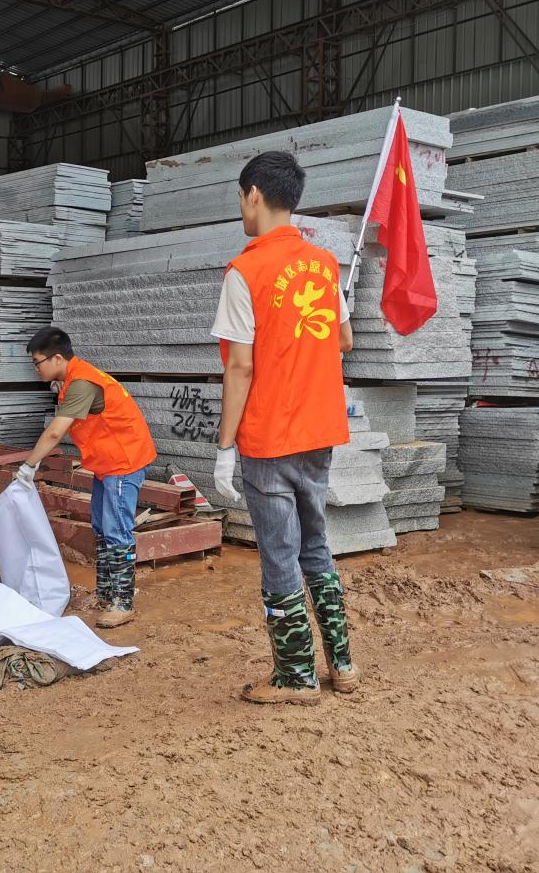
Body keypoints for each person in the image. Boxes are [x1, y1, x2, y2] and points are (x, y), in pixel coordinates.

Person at [210, 150, 357, 706]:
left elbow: (240, 366)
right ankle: (340, 662)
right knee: (316, 544)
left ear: (252, 195)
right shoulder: (323, 264)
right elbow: (344, 341)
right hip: (319, 431)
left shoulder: (243, 271)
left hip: (270, 436)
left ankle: (294, 675)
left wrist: (226, 448)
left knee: (279, 554)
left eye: (240, 200)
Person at [14, 327, 156, 629]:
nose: (35, 368)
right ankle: (106, 594)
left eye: (37, 362)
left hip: (123, 460)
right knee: (102, 526)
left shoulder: (81, 383)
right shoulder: (73, 379)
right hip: (108, 462)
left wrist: (29, 465)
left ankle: (122, 603)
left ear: (56, 358)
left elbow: (55, 431)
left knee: (117, 530)